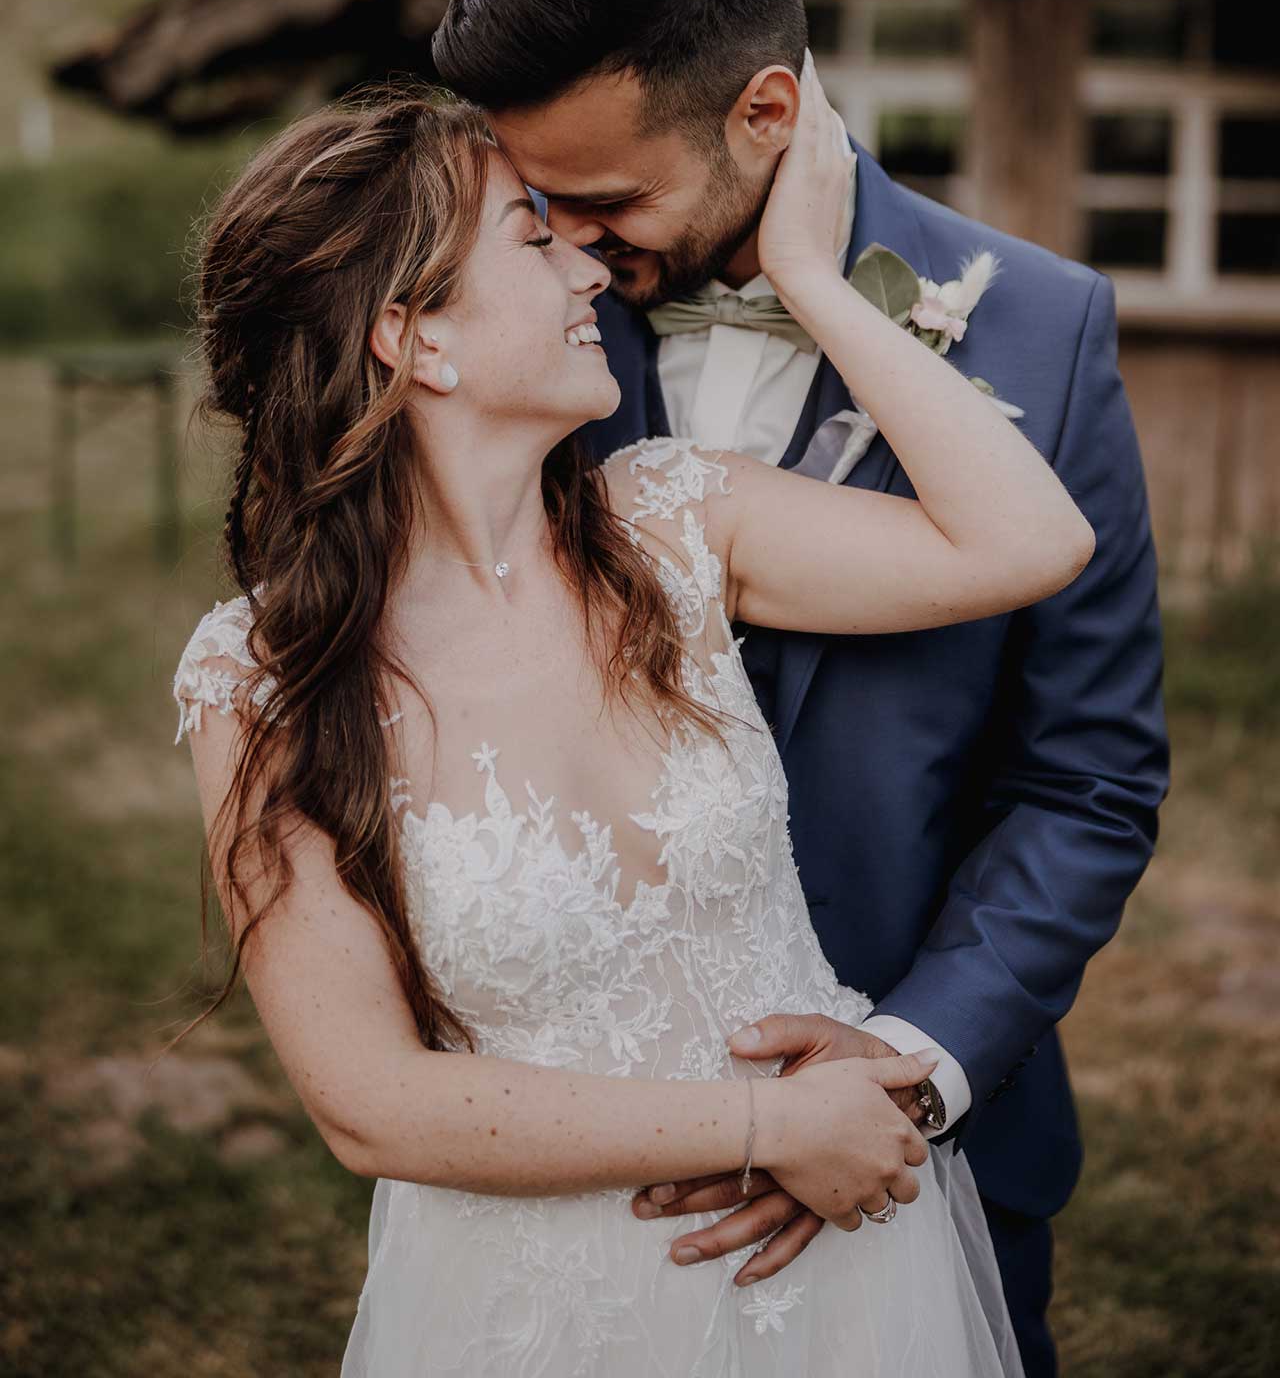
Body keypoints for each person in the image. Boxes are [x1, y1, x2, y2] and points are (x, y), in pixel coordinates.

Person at [172, 84, 1094, 1376]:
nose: (587, 263)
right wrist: (770, 1125)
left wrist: (815, 283)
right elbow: (373, 1105)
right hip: (546, 1302)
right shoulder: (259, 680)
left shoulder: (674, 521)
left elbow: (1033, 540)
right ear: (413, 339)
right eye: (531, 236)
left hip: (841, 1267)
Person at [431, 0, 1170, 1378]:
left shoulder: (1040, 332)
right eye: (538, 205)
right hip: (590, 1143)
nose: (571, 245)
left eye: (608, 199)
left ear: (767, 112)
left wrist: (910, 1063)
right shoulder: (525, 326)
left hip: (915, 1152)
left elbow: (1086, 780)